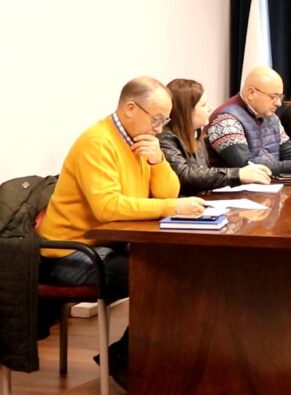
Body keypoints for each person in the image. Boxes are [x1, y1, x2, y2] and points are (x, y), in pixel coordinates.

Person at [37, 77, 207, 387]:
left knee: (182, 268)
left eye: (164, 120)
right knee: (165, 281)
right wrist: (171, 207)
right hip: (70, 251)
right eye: (157, 119)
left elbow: (167, 191)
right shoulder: (97, 142)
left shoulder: (140, 140)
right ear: (130, 108)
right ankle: (127, 361)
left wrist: (158, 160)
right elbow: (108, 207)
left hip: (110, 241)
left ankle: (129, 357)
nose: (159, 128)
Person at [159, 79, 272, 195]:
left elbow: (203, 174)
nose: (210, 108)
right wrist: (238, 174)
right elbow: (184, 175)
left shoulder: (196, 134)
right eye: (203, 105)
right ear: (186, 111)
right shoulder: (165, 138)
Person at [205, 66, 291, 175]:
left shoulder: (271, 117)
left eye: (280, 97)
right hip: (234, 189)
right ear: (251, 93)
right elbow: (246, 164)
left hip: (268, 184)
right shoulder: (225, 119)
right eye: (273, 97)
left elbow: (290, 152)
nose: (279, 103)